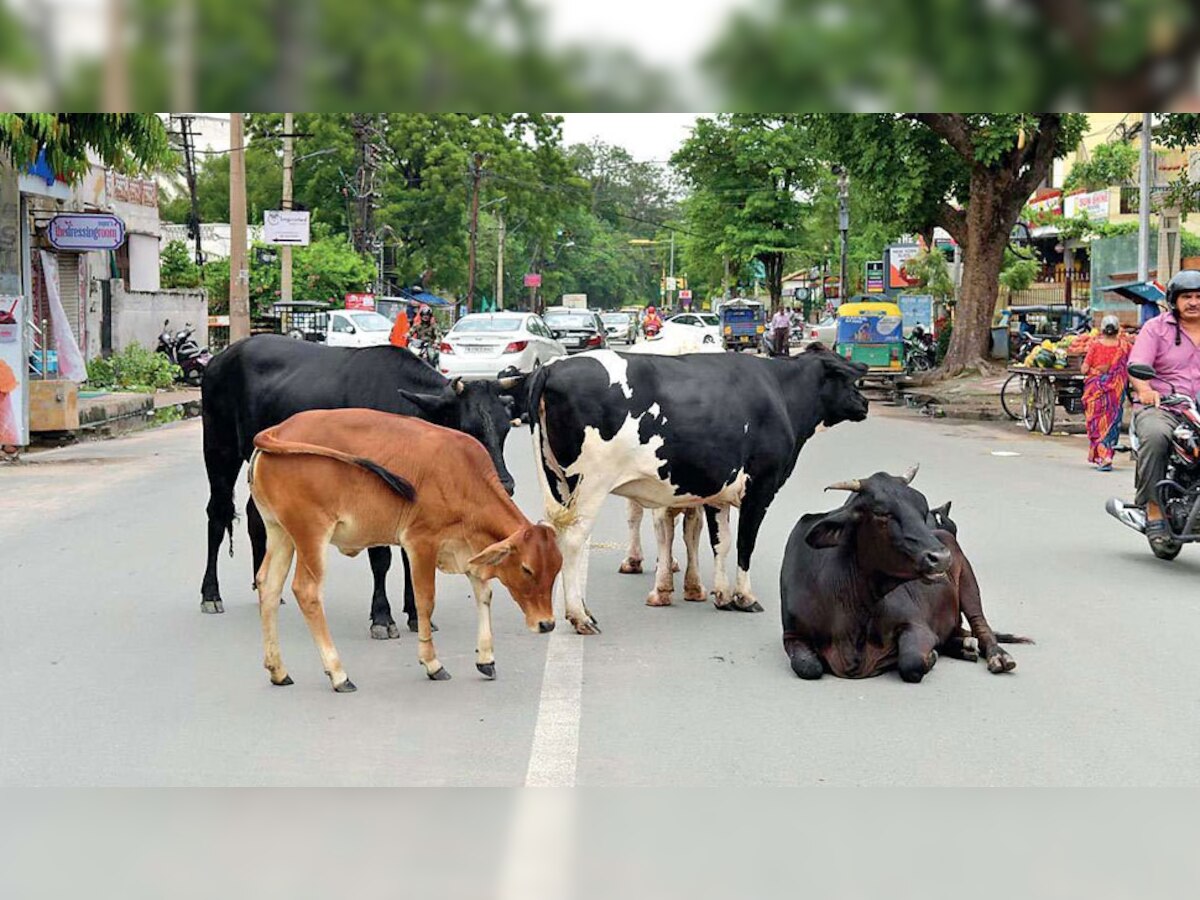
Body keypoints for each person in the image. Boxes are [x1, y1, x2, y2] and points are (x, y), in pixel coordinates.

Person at [1128, 269, 1200, 549]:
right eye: (1187, 297)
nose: (1194, 302)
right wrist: (1145, 390)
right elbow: (1137, 365)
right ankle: (1153, 508)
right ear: (1174, 300)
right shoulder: (1156, 328)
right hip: (1166, 406)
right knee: (1156, 436)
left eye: (1198, 296)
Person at [1081, 314, 1130, 472]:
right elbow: (1132, 366)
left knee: (1097, 423)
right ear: (1118, 330)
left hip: (1095, 391)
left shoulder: (1095, 345)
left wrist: (1096, 371)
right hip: (1116, 392)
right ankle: (1107, 454)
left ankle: (1104, 456)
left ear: (1102, 329)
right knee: (1112, 422)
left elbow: (1084, 369)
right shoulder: (1125, 347)